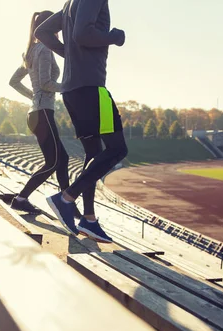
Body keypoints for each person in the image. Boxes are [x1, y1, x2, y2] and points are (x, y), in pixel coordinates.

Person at [35, 0, 128, 243]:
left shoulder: (70, 3)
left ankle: (88, 219)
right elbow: (83, 34)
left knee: (93, 153)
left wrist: (68, 52)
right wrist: (114, 36)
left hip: (73, 90)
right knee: (118, 149)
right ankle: (65, 198)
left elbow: (41, 31)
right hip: (91, 88)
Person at [8, 11, 73, 215]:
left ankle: (66, 204)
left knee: (62, 158)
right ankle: (21, 198)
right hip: (42, 112)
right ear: (51, 27)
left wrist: (33, 97)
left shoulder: (31, 50)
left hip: (37, 112)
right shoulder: (44, 49)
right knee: (53, 162)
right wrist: (68, 87)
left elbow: (13, 82)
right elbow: (45, 83)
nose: (60, 32)